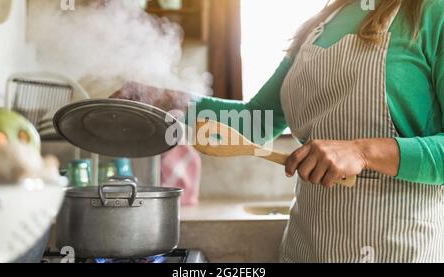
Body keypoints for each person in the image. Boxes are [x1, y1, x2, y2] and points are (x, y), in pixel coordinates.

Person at [111, 0, 444, 262]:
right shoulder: (320, 24)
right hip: (308, 246)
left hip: (398, 248)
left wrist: (361, 151)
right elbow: (254, 121)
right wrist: (161, 97)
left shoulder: (431, 11)